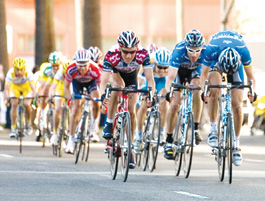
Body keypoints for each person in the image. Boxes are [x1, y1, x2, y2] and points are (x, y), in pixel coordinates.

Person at [200, 29, 256, 166]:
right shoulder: (211, 49)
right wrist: (204, 91)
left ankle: (236, 145)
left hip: (236, 65)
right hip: (217, 63)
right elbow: (203, 75)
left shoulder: (243, 51)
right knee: (214, 90)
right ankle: (213, 130)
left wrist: (251, 92)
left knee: (237, 105)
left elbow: (251, 77)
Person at [100, 30, 155, 168]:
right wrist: (103, 95)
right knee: (118, 86)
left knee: (131, 112)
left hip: (132, 76)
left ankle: (129, 149)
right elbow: (104, 81)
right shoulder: (112, 55)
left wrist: (151, 96)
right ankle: (109, 122)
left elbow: (150, 80)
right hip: (116, 74)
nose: (129, 55)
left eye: (132, 52)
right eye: (125, 52)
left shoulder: (143, 54)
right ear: (120, 49)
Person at [164, 29, 205, 160]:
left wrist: (205, 90)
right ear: (186, 47)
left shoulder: (207, 52)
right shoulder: (179, 51)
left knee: (198, 90)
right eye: (191, 50)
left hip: (194, 72)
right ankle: (169, 140)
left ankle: (195, 129)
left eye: (197, 50)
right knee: (175, 104)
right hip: (178, 73)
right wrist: (169, 92)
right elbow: (170, 77)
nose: (194, 54)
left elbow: (205, 75)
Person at [64, 48, 101, 154]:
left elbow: (100, 85)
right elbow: (66, 87)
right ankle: (71, 140)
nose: (83, 68)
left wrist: (102, 99)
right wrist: (70, 99)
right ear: (76, 63)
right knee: (75, 109)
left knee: (96, 101)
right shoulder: (71, 69)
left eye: (85, 65)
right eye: (80, 65)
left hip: (91, 83)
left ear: (89, 63)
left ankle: (93, 126)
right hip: (77, 84)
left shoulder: (95, 69)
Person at [134, 47, 170, 154]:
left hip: (162, 81)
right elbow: (139, 78)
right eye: (160, 67)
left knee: (164, 101)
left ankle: (162, 132)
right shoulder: (149, 62)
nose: (163, 70)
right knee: (144, 105)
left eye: (165, 68)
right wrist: (142, 95)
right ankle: (138, 135)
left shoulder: (169, 64)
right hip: (148, 79)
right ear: (155, 64)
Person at [4, 58, 36, 138]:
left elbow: (33, 88)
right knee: (14, 104)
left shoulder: (28, 73)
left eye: (21, 70)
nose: (19, 72)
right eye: (17, 70)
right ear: (14, 68)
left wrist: (35, 98)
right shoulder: (10, 73)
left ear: (24, 69)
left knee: (27, 104)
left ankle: (28, 124)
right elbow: (6, 89)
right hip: (15, 88)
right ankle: (13, 128)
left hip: (26, 88)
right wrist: (6, 99)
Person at [37, 51, 63, 132]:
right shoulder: (47, 69)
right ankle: (43, 113)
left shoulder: (64, 68)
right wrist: (42, 95)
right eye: (53, 66)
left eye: (57, 66)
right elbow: (41, 83)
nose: (55, 68)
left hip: (60, 82)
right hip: (51, 80)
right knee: (45, 88)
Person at [48, 59, 71, 146]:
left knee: (74, 108)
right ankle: (55, 132)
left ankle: (70, 130)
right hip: (61, 88)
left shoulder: (74, 73)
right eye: (65, 73)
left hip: (71, 87)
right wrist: (51, 96)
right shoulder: (60, 72)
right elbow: (53, 87)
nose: (66, 75)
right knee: (57, 109)